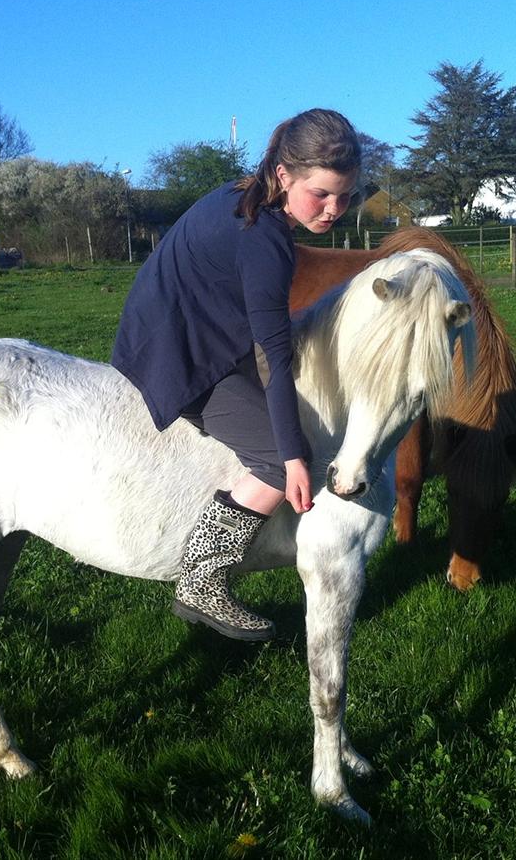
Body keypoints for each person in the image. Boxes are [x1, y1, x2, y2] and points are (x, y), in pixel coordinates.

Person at [111, 108, 361, 641]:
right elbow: (273, 353)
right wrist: (292, 454)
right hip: (180, 358)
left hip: (177, 329)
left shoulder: (239, 193)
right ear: (285, 174)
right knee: (274, 458)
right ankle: (200, 580)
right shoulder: (265, 239)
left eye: (346, 195)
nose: (334, 209)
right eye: (321, 194)